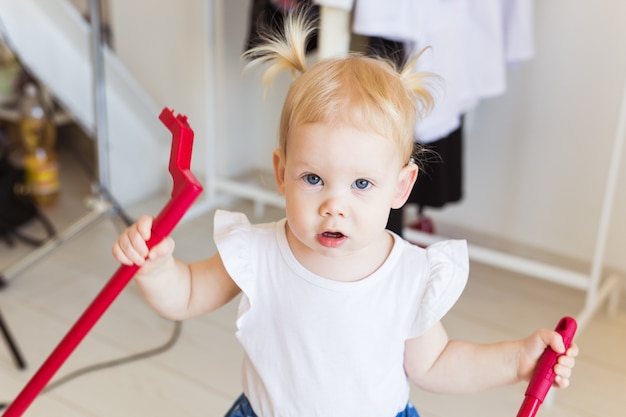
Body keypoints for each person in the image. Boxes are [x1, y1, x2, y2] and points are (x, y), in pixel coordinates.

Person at [112, 9, 577, 417]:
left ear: (400, 187)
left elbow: (435, 363)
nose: (335, 205)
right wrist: (155, 269)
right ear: (281, 172)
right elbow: (189, 294)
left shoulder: (408, 276)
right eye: (313, 179)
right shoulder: (258, 250)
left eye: (361, 185)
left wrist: (516, 361)